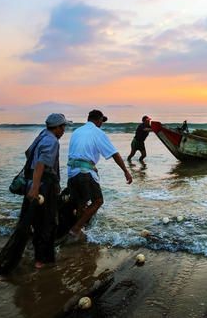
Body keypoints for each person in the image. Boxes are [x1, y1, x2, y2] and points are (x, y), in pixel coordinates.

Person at [66, 109, 133, 241]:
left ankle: (81, 228)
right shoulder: (98, 133)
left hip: (72, 172)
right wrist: (126, 171)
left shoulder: (77, 131)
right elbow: (114, 153)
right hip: (85, 172)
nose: (102, 123)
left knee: (81, 203)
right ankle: (75, 230)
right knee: (98, 200)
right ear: (98, 120)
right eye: (102, 121)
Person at [26, 113, 70, 269]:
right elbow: (41, 164)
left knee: (37, 222)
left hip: (34, 182)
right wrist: (36, 188)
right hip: (42, 186)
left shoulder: (42, 135)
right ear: (57, 127)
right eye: (63, 127)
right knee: (48, 222)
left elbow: (28, 153)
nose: (64, 130)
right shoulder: (52, 141)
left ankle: (40, 257)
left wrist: (33, 184)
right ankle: (43, 260)